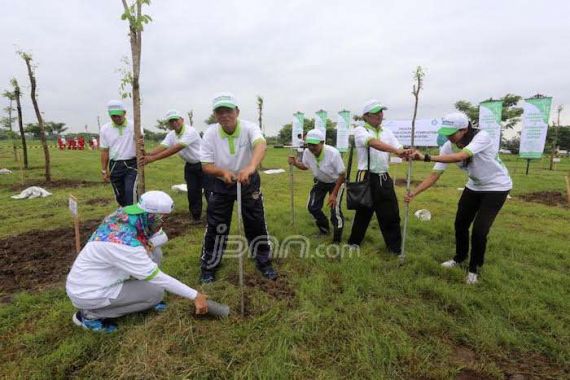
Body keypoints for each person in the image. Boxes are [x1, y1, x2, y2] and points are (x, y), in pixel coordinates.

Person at [66, 191, 208, 332]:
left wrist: (148, 245)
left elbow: (162, 236)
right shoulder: (125, 243)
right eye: (163, 219)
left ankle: (137, 296)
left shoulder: (128, 217)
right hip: (89, 292)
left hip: (98, 276)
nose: (164, 223)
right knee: (156, 293)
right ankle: (90, 315)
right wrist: (195, 295)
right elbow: (156, 276)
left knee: (155, 252)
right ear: (153, 217)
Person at [405, 112, 512, 284]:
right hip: (474, 186)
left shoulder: (481, 137)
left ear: (464, 129)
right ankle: (459, 258)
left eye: (452, 132)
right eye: (446, 132)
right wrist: (414, 193)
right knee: (460, 224)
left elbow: (462, 156)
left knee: (479, 231)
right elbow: (435, 174)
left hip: (497, 188)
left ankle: (474, 270)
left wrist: (424, 156)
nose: (448, 136)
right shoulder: (448, 145)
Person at [199, 92, 277, 283]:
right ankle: (209, 265)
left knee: (255, 221)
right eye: (220, 112)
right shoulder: (210, 133)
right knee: (217, 225)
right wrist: (223, 173)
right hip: (221, 182)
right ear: (215, 115)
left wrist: (250, 167)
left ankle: (263, 262)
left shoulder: (250, 127)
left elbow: (260, 144)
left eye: (228, 110)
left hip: (248, 180)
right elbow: (206, 165)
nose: (224, 115)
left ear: (237, 111)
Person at [347, 99, 411, 255]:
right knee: (363, 212)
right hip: (366, 176)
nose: (380, 115)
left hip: (383, 177)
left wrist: (407, 152)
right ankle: (354, 242)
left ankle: (395, 249)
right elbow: (374, 143)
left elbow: (399, 147)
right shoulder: (361, 131)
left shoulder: (387, 132)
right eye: (376, 113)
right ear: (366, 116)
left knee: (391, 213)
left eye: (381, 112)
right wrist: (396, 151)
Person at [143, 110, 205, 224]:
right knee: (193, 192)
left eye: (176, 120)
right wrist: (149, 154)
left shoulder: (190, 131)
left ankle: (213, 218)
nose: (174, 123)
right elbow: (163, 146)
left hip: (204, 164)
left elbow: (175, 148)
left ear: (182, 120)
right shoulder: (172, 134)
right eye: (171, 121)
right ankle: (196, 217)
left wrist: (153, 159)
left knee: (210, 191)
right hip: (190, 166)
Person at [288, 129, 346, 242]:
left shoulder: (333, 153)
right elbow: (305, 166)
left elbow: (342, 174)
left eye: (314, 144)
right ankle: (324, 230)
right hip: (320, 181)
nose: (311, 147)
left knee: (335, 210)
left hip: (336, 182)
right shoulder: (307, 152)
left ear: (322, 142)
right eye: (309, 144)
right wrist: (295, 163)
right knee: (312, 207)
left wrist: (334, 194)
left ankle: (337, 240)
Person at [100, 100, 140, 207]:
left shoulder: (135, 125)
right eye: (113, 116)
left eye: (118, 115)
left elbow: (140, 144)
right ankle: (125, 215)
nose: (116, 118)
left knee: (130, 192)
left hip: (132, 164)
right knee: (119, 195)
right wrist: (104, 170)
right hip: (115, 165)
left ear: (124, 113)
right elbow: (104, 150)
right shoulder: (105, 129)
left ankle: (134, 218)